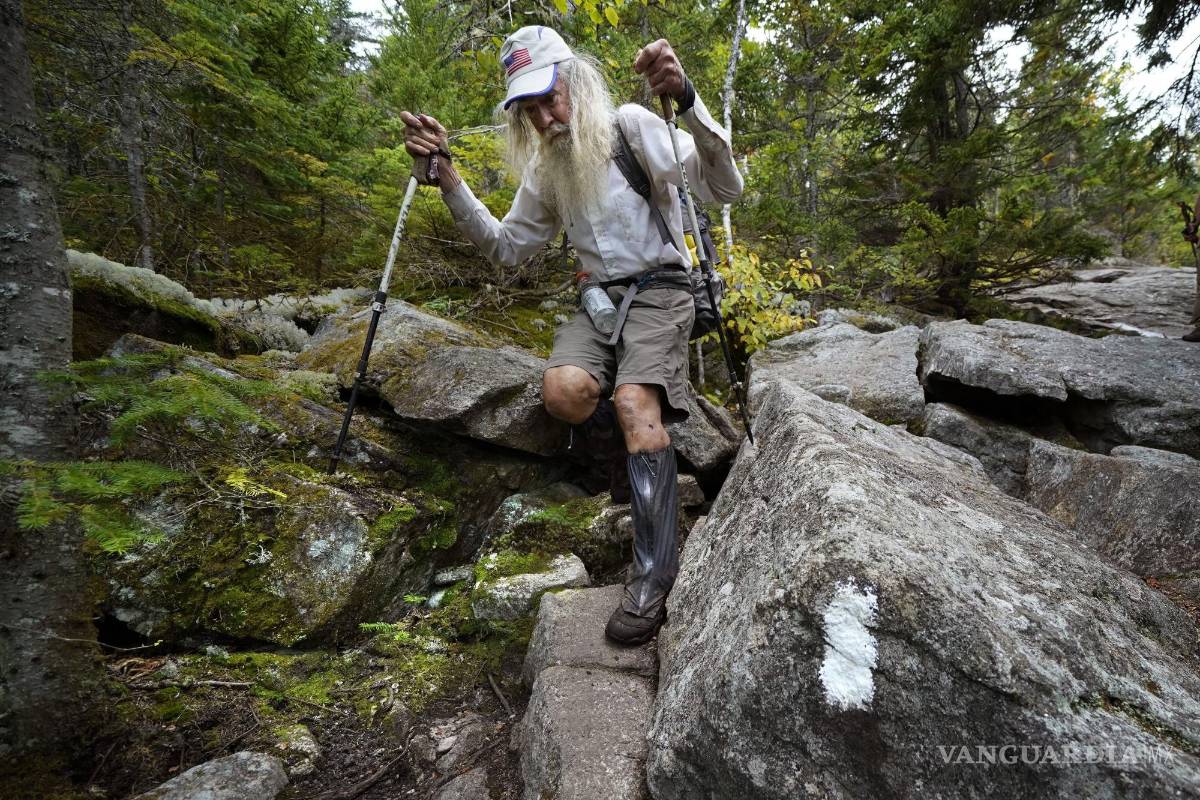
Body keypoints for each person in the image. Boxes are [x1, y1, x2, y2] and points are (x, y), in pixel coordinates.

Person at [400, 25, 742, 644]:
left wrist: (688, 99)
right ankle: (626, 470)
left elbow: (724, 187)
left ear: (576, 82)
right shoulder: (547, 169)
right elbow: (507, 247)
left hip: (664, 287)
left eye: (550, 97)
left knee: (634, 401)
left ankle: (654, 571)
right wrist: (448, 180)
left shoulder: (635, 126)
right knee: (562, 390)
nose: (545, 116)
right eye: (529, 109)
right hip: (599, 300)